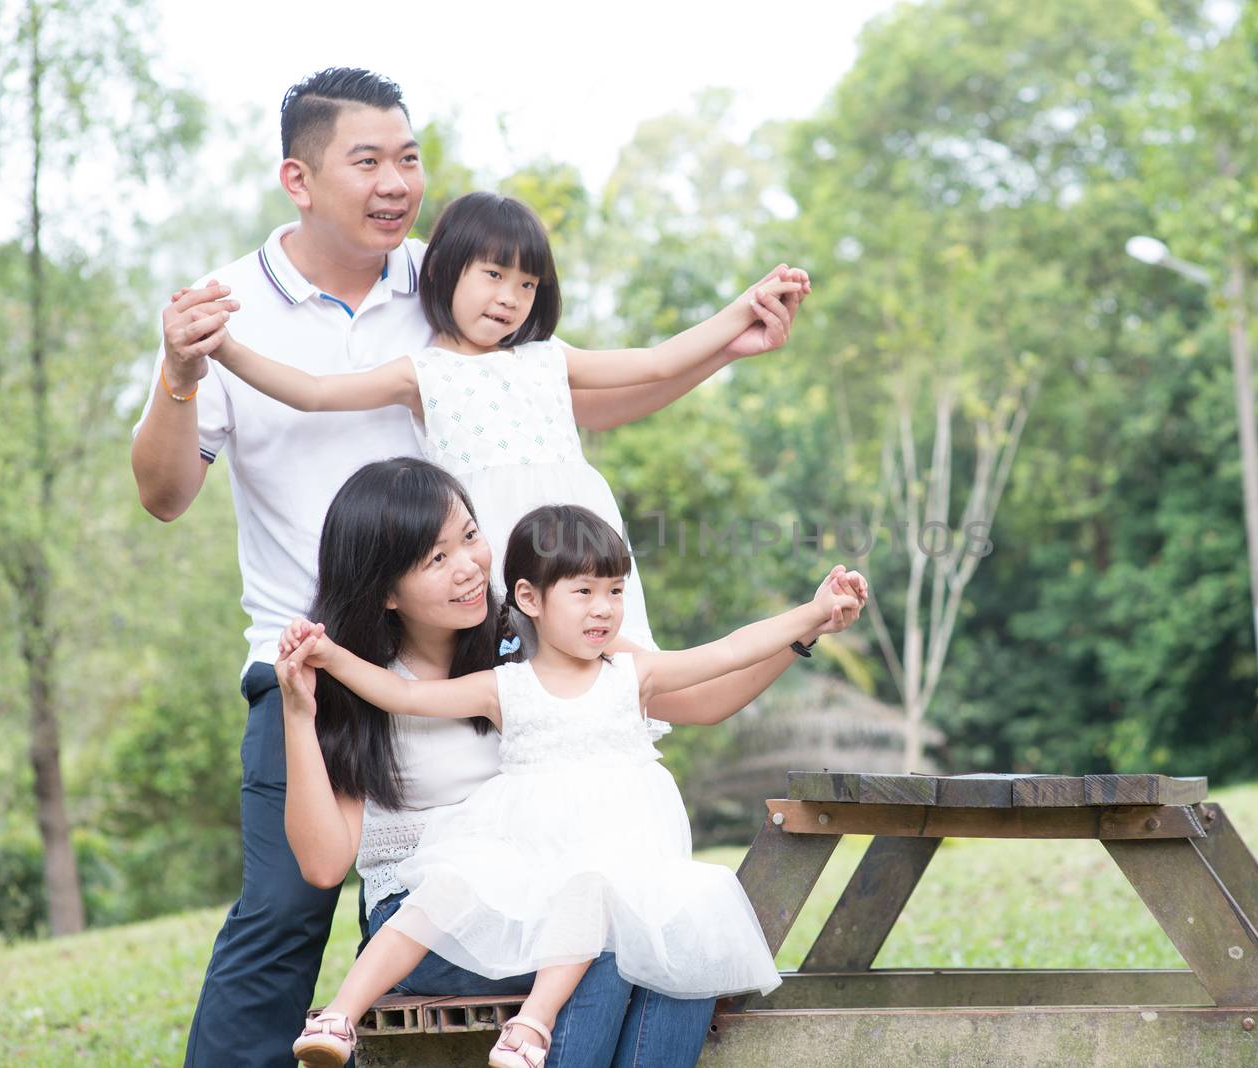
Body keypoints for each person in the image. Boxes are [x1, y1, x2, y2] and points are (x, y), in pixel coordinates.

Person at [130, 67, 807, 1067]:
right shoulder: (236, 309)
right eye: (368, 160)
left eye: (408, 156)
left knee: (594, 886)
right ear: (299, 177)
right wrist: (188, 367)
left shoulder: (449, 281)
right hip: (318, 651)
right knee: (286, 907)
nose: (396, 180)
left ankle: (531, 1027)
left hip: (479, 641)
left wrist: (722, 348)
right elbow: (167, 489)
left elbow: (574, 398)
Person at [275, 460, 864, 1067]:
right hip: (426, 914)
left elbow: (708, 685)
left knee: (675, 933)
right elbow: (323, 866)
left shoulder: (547, 633)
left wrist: (808, 626)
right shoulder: (360, 685)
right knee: (610, 943)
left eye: (470, 536)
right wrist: (297, 713)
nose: (469, 566)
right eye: (435, 558)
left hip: (558, 882)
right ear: (385, 589)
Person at [201, 189, 808, 652]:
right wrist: (225, 350)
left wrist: (742, 312)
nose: (509, 298)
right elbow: (312, 392)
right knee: (518, 681)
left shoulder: (547, 358)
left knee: (606, 663)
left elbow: (653, 362)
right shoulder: (422, 372)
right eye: (493, 275)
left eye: (526, 283)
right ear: (442, 272)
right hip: (493, 549)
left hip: (577, 536)